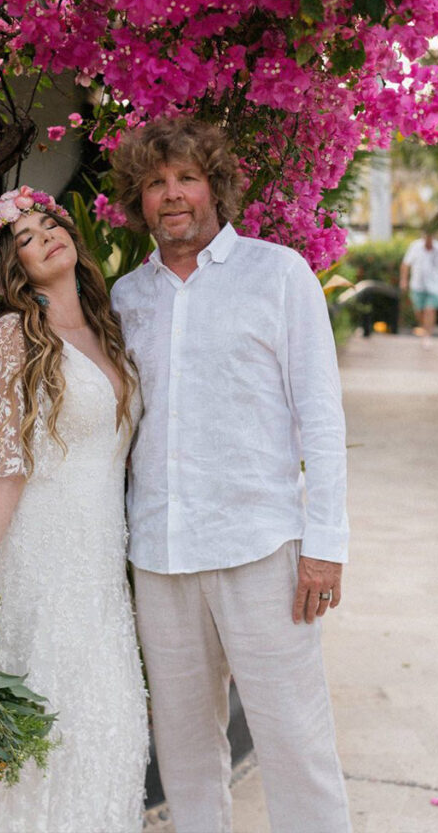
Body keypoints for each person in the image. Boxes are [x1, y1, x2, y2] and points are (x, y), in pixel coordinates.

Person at [110, 118, 352, 833]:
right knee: (183, 754)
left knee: (294, 744)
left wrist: (324, 544)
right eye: (155, 184)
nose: (172, 195)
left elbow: (322, 417)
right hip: (160, 554)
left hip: (261, 548)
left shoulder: (277, 275)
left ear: (215, 186)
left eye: (186, 177)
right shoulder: (127, 299)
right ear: (139, 201)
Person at [0, 186, 148, 833]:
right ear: (16, 269)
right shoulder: (14, 337)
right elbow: (2, 470)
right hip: (42, 555)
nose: (45, 237)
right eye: (28, 238)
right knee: (43, 716)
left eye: (51, 224)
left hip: (102, 560)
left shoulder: (108, 330)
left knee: (109, 720)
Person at [399, 226, 438, 347]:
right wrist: (404, 280)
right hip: (417, 285)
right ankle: (425, 329)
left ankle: (427, 335)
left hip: (434, 285)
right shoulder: (415, 247)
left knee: (430, 309)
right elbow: (405, 264)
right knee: (419, 312)